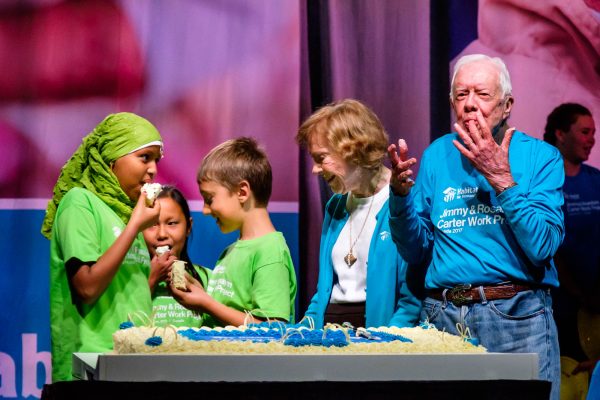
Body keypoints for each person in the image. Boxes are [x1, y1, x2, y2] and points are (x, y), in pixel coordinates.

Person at [387, 54, 564, 399]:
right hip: (443, 318)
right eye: (461, 95)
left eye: (482, 94)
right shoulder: (438, 154)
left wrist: (501, 179)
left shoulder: (540, 157)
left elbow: (543, 246)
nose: (470, 104)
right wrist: (399, 197)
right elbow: (416, 250)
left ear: (507, 104)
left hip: (516, 318)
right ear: (451, 103)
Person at [41, 112, 163, 382]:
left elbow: (129, 296)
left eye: (157, 160)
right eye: (144, 157)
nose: (153, 169)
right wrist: (134, 227)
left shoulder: (127, 214)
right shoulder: (79, 203)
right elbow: (87, 288)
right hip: (92, 368)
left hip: (136, 365)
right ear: (111, 160)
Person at [295, 98, 421, 329]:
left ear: (354, 149)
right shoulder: (335, 206)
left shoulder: (403, 202)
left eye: (321, 158)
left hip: (377, 339)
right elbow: (323, 292)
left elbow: (411, 300)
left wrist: (388, 343)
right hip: (331, 337)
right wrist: (303, 331)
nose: (314, 169)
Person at [171, 137, 297, 327]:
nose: (205, 210)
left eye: (209, 198)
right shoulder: (230, 251)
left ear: (242, 192)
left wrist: (207, 304)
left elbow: (272, 329)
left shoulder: (270, 252)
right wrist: (201, 295)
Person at [543, 103, 600, 378]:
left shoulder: (595, 181)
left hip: (596, 309)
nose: (592, 140)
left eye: (594, 133)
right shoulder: (542, 182)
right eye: (585, 132)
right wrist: (577, 293)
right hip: (560, 308)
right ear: (560, 134)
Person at [143, 185, 211, 327]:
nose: (162, 234)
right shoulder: (130, 281)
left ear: (188, 227)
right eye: (152, 224)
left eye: (172, 223)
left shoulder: (209, 280)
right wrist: (151, 279)